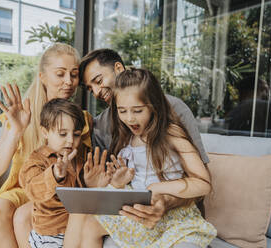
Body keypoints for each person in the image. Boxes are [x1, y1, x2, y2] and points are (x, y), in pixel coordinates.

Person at [67, 68, 217, 248]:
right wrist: (119, 183)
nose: (129, 119)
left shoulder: (171, 134)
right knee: (87, 221)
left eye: (137, 110)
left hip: (174, 217)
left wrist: (158, 188)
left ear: (153, 105)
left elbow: (204, 184)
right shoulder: (126, 139)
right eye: (122, 111)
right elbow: (135, 181)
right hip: (139, 215)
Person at [0, 43, 92, 248]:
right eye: (60, 74)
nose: (68, 82)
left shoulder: (83, 120)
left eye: (74, 74)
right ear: (42, 76)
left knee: (24, 215)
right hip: (25, 188)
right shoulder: (21, 113)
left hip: (60, 188)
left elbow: (81, 172)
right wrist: (16, 131)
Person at [19, 98, 112, 248]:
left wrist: (92, 185)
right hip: (51, 234)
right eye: (63, 134)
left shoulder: (79, 158)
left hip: (77, 229)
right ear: (45, 132)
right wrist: (55, 175)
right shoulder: (37, 160)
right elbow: (33, 190)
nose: (70, 141)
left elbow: (82, 197)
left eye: (76, 135)